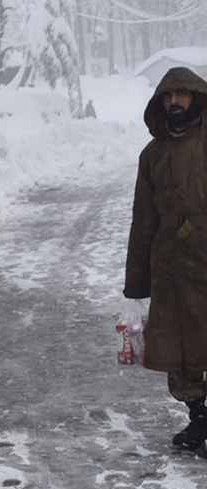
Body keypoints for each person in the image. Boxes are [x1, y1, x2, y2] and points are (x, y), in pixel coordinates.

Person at [124, 66, 207, 459]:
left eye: (182, 94)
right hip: (170, 266)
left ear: (196, 97)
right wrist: (135, 289)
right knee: (180, 348)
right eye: (168, 97)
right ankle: (200, 417)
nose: (175, 102)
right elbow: (143, 221)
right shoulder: (152, 154)